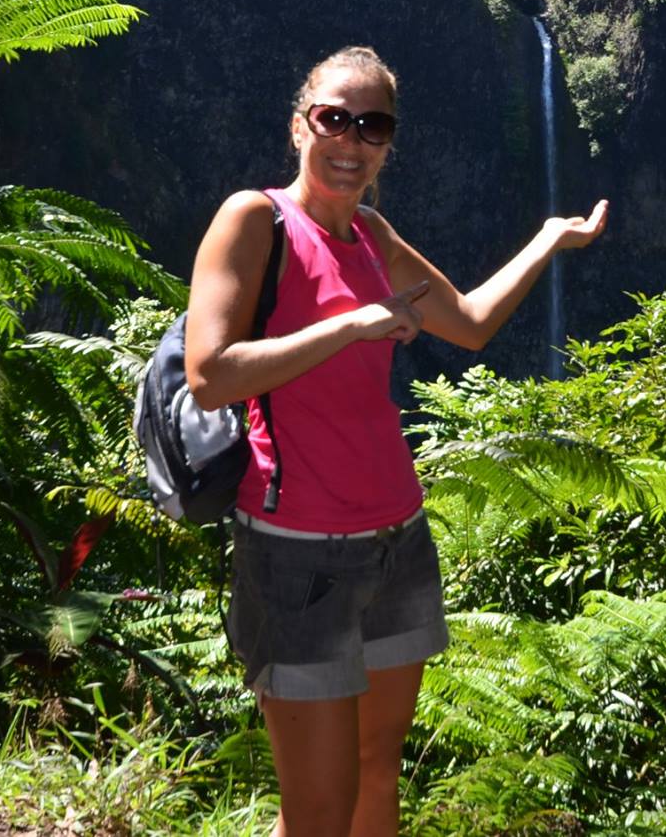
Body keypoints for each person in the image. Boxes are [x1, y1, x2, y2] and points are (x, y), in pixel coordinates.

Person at [184, 45, 608, 837]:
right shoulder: (255, 219)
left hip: (398, 538)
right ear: (301, 124)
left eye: (372, 125)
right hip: (297, 551)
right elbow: (210, 374)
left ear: (388, 143)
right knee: (317, 810)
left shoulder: (370, 233)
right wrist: (352, 325)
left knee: (378, 776)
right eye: (334, 119)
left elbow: (471, 324)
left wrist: (549, 240)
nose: (351, 141)